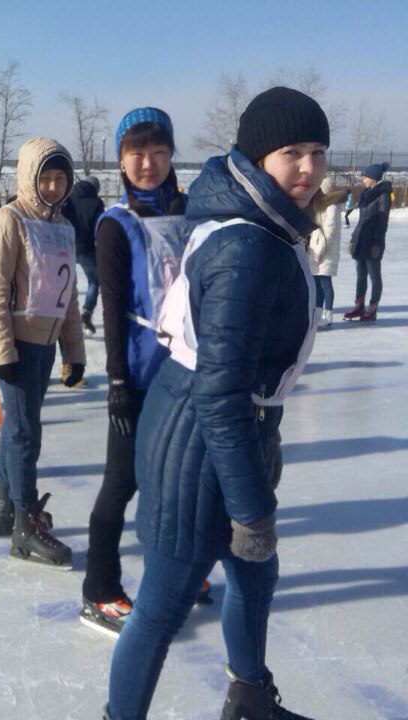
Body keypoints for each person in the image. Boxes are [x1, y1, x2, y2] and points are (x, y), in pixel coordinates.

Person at [104, 87, 328, 720]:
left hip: (229, 436)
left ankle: (250, 696)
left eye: (318, 152)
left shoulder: (268, 226)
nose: (309, 168)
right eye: (292, 153)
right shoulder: (247, 247)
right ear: (259, 158)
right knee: (162, 605)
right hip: (199, 449)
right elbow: (221, 391)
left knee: (256, 574)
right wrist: (252, 507)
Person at [79, 107, 209, 638]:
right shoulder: (116, 224)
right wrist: (115, 383)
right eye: (137, 153)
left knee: (179, 481)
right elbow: (112, 309)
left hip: (189, 369)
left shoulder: (193, 213)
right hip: (138, 374)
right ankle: (99, 590)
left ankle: (176, 573)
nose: (148, 164)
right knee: (121, 483)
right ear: (120, 160)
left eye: (158, 152)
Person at [0, 137, 86, 568]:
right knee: (25, 434)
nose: (53, 187)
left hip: (46, 346)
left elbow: (69, 295)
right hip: (20, 344)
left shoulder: (63, 227)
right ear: (29, 178)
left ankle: (8, 507)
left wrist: (74, 351)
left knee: (18, 430)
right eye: (46, 178)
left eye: (61, 179)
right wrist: (3, 351)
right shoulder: (10, 219)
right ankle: (25, 528)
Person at [343, 161, 391, 322]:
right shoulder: (365, 194)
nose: (362, 180)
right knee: (361, 275)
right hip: (361, 240)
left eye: (365, 177)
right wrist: (353, 239)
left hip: (373, 242)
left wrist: (377, 244)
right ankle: (359, 306)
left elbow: (382, 222)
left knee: (374, 275)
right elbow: (361, 221)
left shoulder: (383, 195)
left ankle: (372, 308)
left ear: (373, 178)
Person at [62, 175, 105, 334]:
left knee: (64, 281)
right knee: (94, 281)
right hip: (87, 249)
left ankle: (62, 311)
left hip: (67, 246)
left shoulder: (68, 198)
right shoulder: (97, 203)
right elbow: (99, 227)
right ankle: (86, 313)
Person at [308, 177, 349, 327]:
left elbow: (329, 232)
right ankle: (318, 314)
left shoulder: (331, 207)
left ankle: (328, 315)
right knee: (317, 283)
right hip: (317, 249)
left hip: (326, 252)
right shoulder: (322, 205)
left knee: (325, 283)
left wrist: (319, 251)